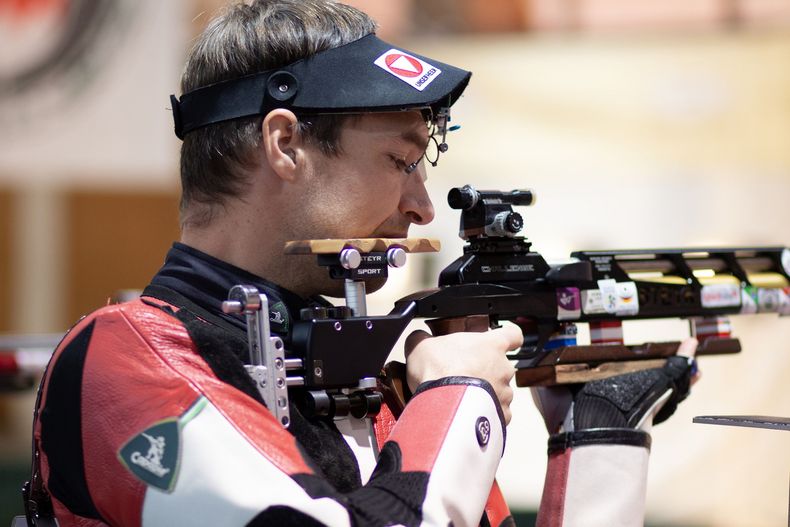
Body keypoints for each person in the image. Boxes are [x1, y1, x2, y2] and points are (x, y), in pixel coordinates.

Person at [24, 2, 697, 526]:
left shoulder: (364, 377)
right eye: (401, 161)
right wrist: (455, 398)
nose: (422, 205)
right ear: (285, 144)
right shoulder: (119, 359)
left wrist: (596, 439)